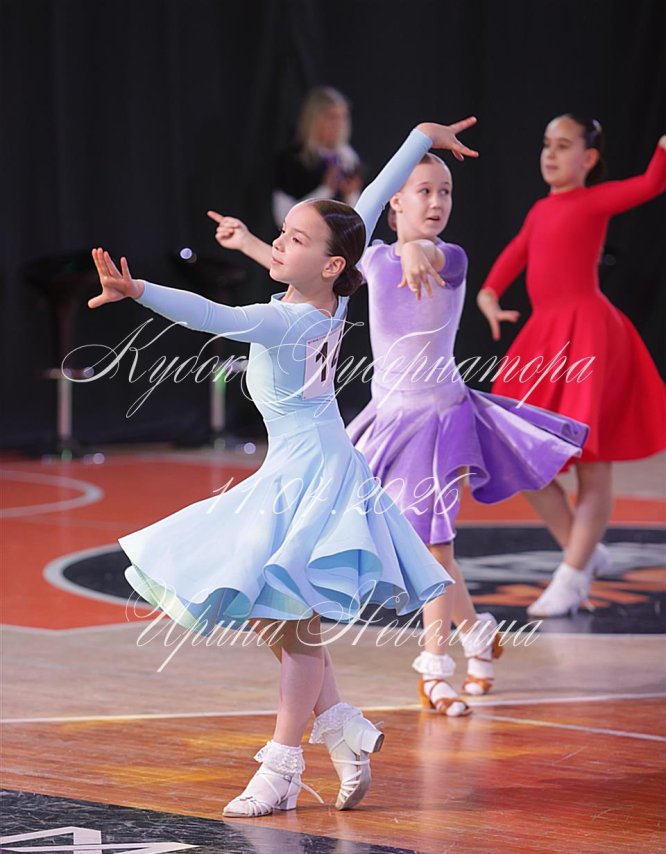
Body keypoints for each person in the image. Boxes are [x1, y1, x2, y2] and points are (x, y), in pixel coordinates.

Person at [88, 118, 479, 817]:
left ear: (329, 265)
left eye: (295, 240)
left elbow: (211, 316)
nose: (279, 244)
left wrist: (140, 289)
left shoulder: (289, 322)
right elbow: (369, 202)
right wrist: (420, 137)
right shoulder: (330, 294)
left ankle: (282, 767)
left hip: (311, 475)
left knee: (293, 624)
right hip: (307, 465)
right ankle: (343, 730)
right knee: (274, 617)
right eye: (283, 233)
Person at [213, 153, 587, 715]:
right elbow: (306, 266)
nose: (437, 202)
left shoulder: (451, 257)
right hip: (386, 418)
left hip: (440, 420)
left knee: (434, 543)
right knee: (419, 545)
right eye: (424, 191)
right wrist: (245, 241)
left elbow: (429, 255)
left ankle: (435, 669)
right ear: (395, 201)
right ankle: (476, 631)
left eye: (445, 191)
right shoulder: (371, 260)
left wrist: (416, 249)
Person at [477, 116, 666, 617]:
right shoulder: (541, 209)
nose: (550, 154)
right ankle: (582, 553)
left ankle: (572, 573)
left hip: (588, 336)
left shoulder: (594, 200)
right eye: (546, 144)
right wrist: (489, 292)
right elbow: (517, 252)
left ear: (589, 158)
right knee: (519, 453)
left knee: (591, 460)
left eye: (563, 146)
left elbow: (652, 183)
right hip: (544, 338)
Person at [272, 86, 363, 228]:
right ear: (313, 118)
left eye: (342, 117)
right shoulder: (293, 159)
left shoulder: (349, 158)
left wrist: (351, 194)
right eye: (331, 117)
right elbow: (282, 217)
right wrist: (326, 189)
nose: (338, 125)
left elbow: (358, 219)